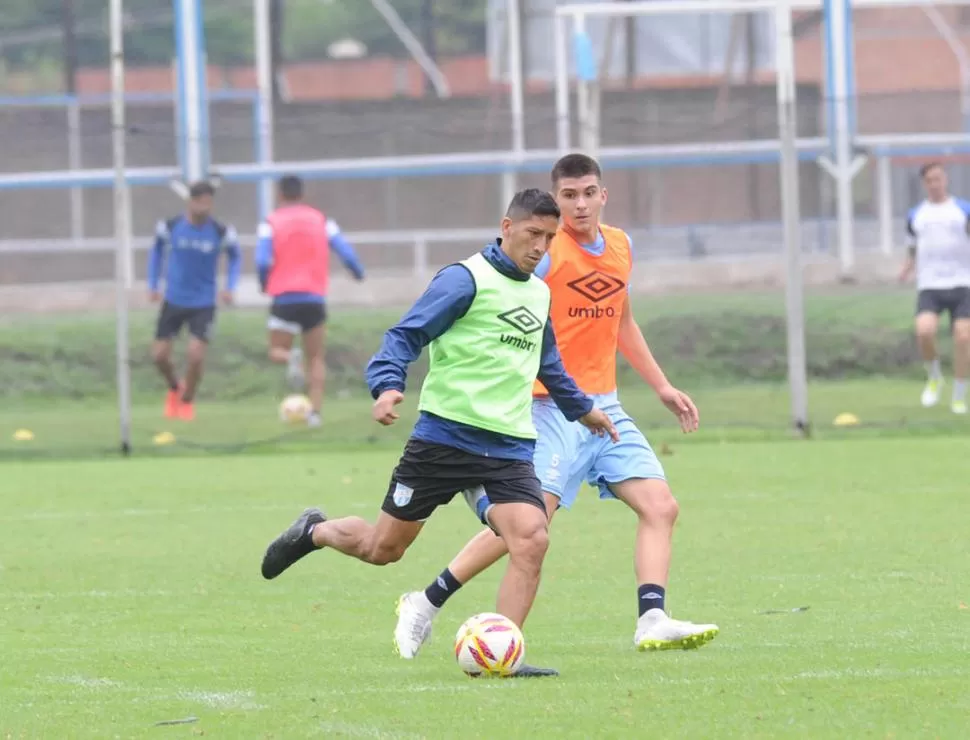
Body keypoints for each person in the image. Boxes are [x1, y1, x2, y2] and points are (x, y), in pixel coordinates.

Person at [260, 188, 618, 678]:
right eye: (533, 234)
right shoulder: (464, 279)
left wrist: (583, 410)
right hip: (444, 439)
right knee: (383, 550)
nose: (540, 247)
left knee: (531, 539)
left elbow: (547, 363)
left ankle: (502, 656)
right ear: (507, 227)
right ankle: (315, 531)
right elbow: (404, 335)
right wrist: (386, 386)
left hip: (508, 445)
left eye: (550, 238)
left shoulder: (539, 291)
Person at [394, 154, 719, 660]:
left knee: (661, 507)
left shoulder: (619, 246)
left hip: (604, 407)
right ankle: (427, 601)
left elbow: (622, 323)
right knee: (525, 527)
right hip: (549, 410)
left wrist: (662, 387)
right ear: (556, 200)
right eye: (569, 196)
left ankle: (652, 618)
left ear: (603, 195)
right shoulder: (543, 252)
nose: (580, 204)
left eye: (589, 192)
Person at [255, 175, 366, 427]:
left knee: (276, 351)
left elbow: (262, 261)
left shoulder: (270, 222)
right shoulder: (321, 220)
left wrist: (264, 283)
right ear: (302, 194)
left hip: (283, 296)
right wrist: (358, 272)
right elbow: (345, 251)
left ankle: (289, 357)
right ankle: (314, 414)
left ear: (280, 195)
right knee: (315, 357)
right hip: (314, 297)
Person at [148, 180, 240, 421]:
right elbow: (156, 251)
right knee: (159, 355)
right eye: (200, 202)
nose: (205, 208)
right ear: (190, 202)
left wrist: (230, 286)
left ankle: (187, 401)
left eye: (208, 203)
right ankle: (174, 388)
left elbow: (235, 256)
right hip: (174, 299)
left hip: (203, 303)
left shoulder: (219, 231)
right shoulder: (171, 227)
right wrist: (153, 284)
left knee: (196, 355)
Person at [899, 161, 970, 415]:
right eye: (930, 180)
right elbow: (912, 245)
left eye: (939, 179)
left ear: (946, 180)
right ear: (924, 184)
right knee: (924, 332)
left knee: (964, 337)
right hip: (930, 284)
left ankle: (960, 393)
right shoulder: (916, 215)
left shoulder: (963, 210)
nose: (935, 184)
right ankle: (935, 377)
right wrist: (907, 267)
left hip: (962, 283)